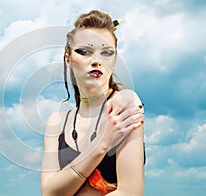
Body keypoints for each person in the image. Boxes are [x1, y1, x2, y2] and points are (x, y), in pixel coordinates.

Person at [41, 10, 145, 196]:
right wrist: (101, 144)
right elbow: (49, 192)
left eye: (106, 52)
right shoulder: (57, 122)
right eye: (85, 51)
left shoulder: (125, 103)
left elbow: (131, 192)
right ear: (68, 59)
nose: (96, 60)